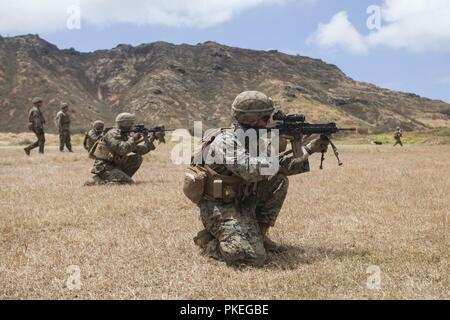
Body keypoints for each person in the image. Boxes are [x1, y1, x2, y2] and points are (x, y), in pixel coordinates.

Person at [191, 91, 329, 266]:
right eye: (266, 118)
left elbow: (277, 167)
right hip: (220, 206)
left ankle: (259, 235)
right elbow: (250, 170)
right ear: (251, 119)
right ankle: (209, 243)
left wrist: (309, 149)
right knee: (251, 257)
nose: (269, 121)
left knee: (278, 181)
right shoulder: (225, 141)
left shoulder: (256, 140)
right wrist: (278, 142)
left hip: (242, 199)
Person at [84, 113, 159, 186]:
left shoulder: (124, 134)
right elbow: (122, 149)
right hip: (105, 167)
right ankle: (97, 181)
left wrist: (152, 138)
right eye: (131, 122)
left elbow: (140, 150)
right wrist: (133, 139)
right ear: (125, 123)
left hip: (115, 164)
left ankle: (118, 177)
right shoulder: (112, 134)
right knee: (128, 183)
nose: (133, 124)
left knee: (137, 158)